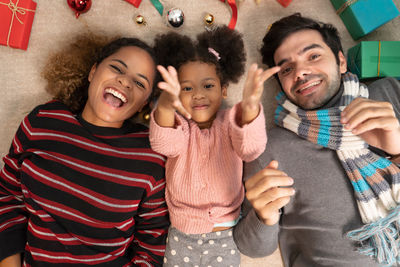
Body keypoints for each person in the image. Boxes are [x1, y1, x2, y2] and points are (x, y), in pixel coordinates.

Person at [233, 13, 400, 267]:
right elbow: (251, 248)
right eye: (287, 68)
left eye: (313, 56)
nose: (301, 72)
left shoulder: (390, 93)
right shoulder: (270, 148)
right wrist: (263, 215)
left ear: (341, 61)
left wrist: (397, 149)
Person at [0, 34, 169, 267]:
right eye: (117, 68)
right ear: (92, 72)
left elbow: (153, 244)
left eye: (140, 83)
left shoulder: (150, 156)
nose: (125, 82)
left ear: (144, 104)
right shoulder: (43, 121)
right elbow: (8, 197)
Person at [148, 26, 279, 266]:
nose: (198, 94)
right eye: (187, 88)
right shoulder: (180, 126)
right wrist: (166, 105)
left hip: (226, 233)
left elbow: (251, 149)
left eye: (208, 86)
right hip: (181, 233)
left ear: (224, 89)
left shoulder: (231, 122)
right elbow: (162, 142)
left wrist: (249, 108)